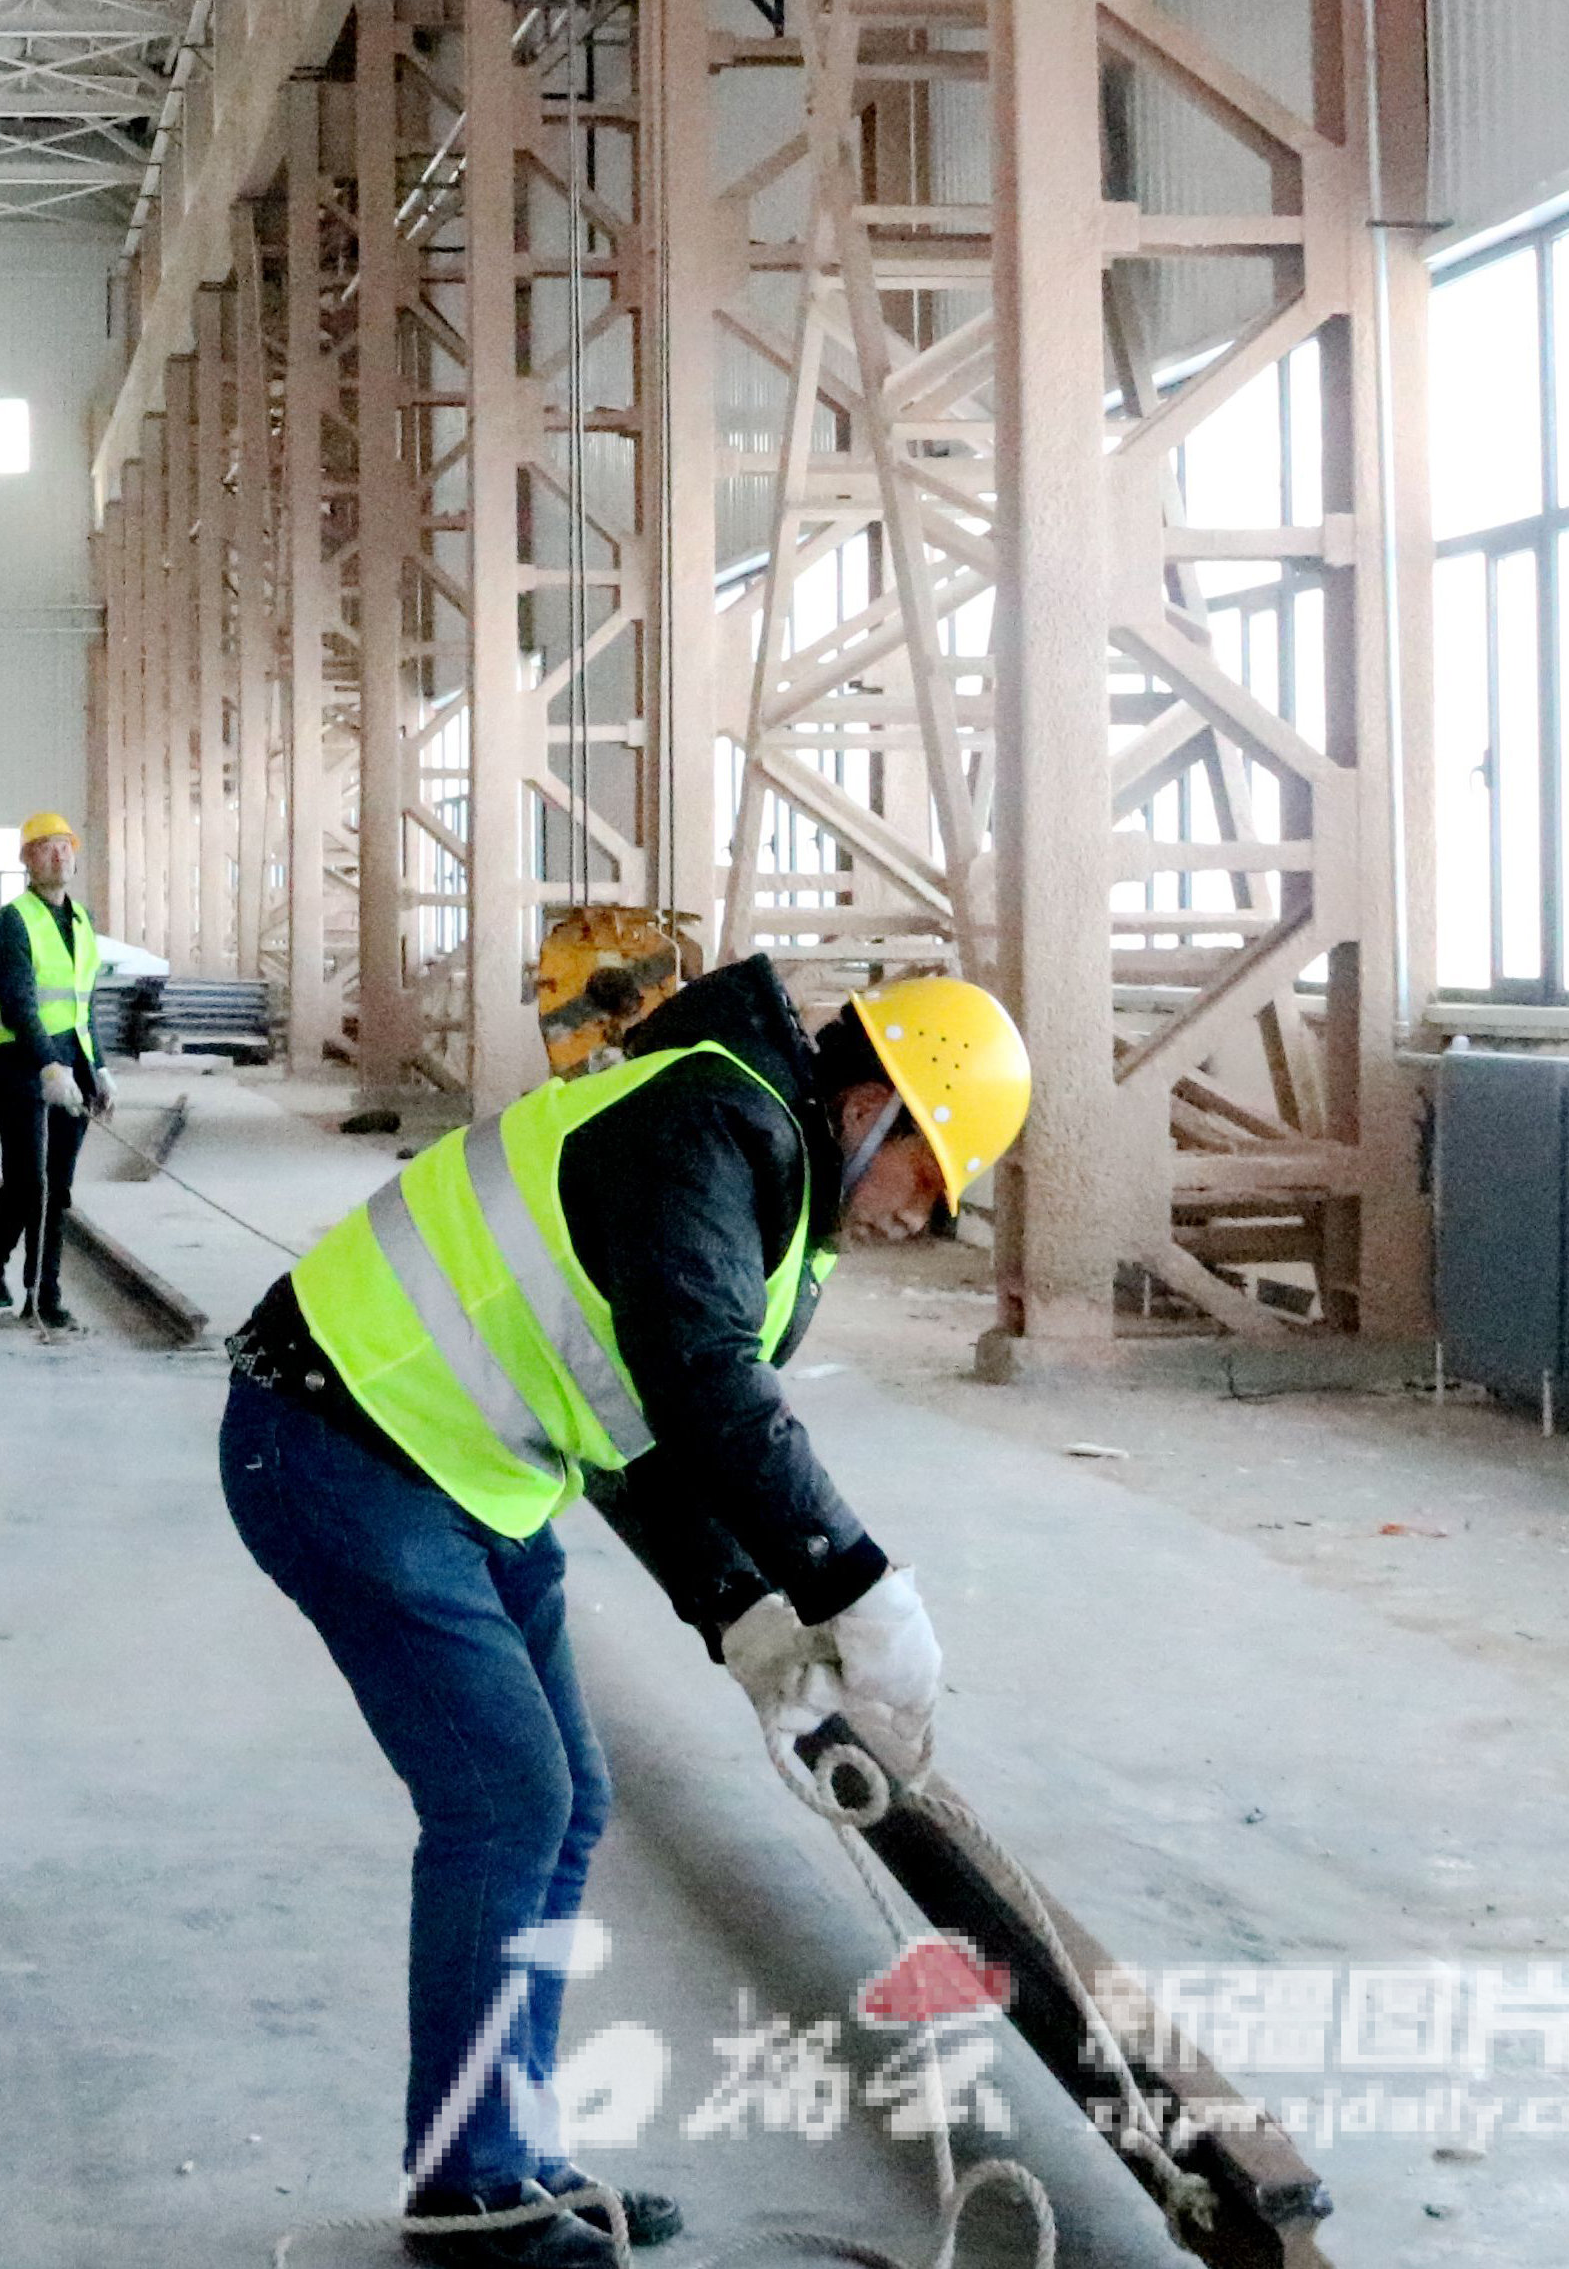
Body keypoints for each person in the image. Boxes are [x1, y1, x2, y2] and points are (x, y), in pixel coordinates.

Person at [214, 957, 1029, 2266]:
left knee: (567, 1795)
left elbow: (641, 1424)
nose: (920, 1211)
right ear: (874, 1100)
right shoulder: (713, 1124)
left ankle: (511, 2151)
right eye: (926, 1172)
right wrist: (854, 1580)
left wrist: (745, 1615)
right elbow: (704, 1379)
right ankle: (470, 2187)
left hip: (462, 1464)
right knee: (501, 1798)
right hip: (333, 1437)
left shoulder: (762, 1180)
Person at [0, 809, 112, 1332]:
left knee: (60, 1185)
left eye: (65, 845)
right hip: (17, 1063)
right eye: (46, 846)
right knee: (30, 1180)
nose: (59, 854)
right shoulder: (13, 922)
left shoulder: (82, 922)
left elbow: (83, 1005)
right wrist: (49, 1065)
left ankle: (44, 1294)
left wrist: (98, 1067)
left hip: (70, 1063)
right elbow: (18, 1003)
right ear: (28, 858)